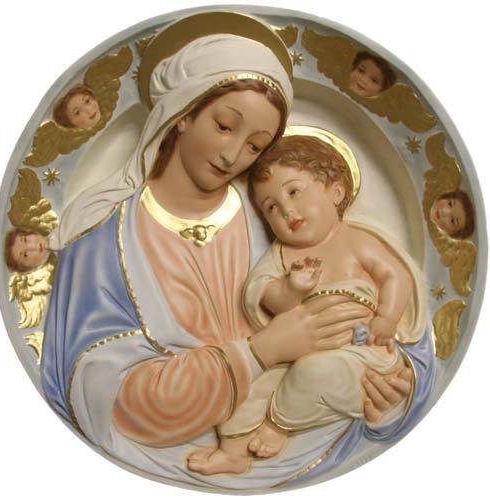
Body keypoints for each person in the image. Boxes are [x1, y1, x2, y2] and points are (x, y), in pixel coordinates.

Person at [40, 13, 434, 491]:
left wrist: (398, 390)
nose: (232, 156)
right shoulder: (102, 241)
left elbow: (397, 326)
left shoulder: (278, 220)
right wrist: (262, 351)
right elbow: (96, 396)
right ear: (184, 111)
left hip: (325, 453)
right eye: (224, 126)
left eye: (255, 147)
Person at [195, 134, 427, 474]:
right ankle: (232, 452)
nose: (286, 210)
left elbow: (396, 276)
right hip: (298, 357)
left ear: (336, 191)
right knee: (244, 385)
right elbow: (262, 296)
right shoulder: (283, 255)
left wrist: (387, 318)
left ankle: (278, 427)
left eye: (294, 192)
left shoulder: (355, 240)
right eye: (271, 208)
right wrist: (290, 289)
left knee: (313, 372)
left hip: (362, 355)